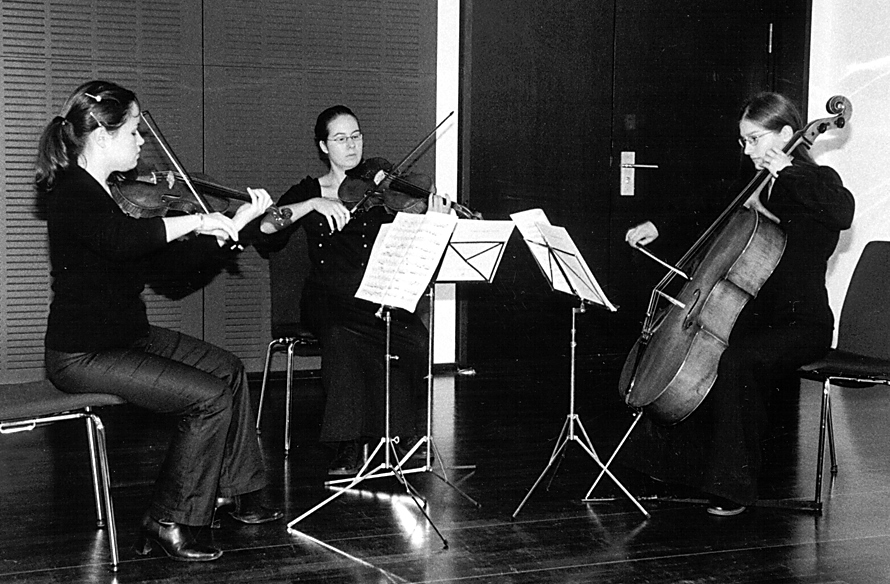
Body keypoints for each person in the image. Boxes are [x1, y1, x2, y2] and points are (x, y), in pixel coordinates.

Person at [37, 80, 282, 562]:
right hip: (82, 355)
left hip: (128, 338)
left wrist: (231, 228)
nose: (141, 140)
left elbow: (169, 270)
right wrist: (198, 220)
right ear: (102, 136)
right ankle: (167, 519)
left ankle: (234, 491)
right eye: (133, 130)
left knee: (229, 370)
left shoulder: (111, 194)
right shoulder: (71, 192)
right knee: (208, 399)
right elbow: (123, 240)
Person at [622, 92, 854, 516]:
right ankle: (667, 471)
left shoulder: (818, 181)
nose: (747, 150)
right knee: (703, 354)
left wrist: (787, 173)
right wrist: (659, 225)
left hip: (802, 324)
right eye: (743, 141)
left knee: (738, 361)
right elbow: (707, 207)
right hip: (755, 317)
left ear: (786, 134)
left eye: (754, 139)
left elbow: (843, 211)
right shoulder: (755, 184)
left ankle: (733, 488)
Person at [259, 105, 447, 476]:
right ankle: (347, 443)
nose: (351, 145)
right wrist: (313, 204)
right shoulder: (309, 190)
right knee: (341, 336)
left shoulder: (382, 193)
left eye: (356, 136)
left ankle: (397, 432)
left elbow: (412, 239)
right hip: (327, 296)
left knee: (413, 338)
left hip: (375, 292)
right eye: (341, 138)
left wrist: (434, 219)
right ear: (323, 146)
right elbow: (266, 226)